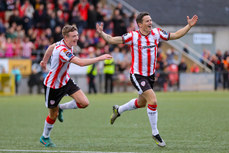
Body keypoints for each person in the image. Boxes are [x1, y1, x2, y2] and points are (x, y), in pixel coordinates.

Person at [96, 12, 198, 147]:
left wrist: (188, 26)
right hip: (137, 75)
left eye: (151, 20)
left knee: (142, 103)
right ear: (140, 24)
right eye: (147, 21)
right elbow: (112, 39)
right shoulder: (133, 36)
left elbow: (175, 35)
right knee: (153, 100)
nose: (150, 22)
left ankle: (118, 110)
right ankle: (155, 133)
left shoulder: (156, 33)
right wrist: (102, 34)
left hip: (150, 76)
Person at [39, 25, 112, 147]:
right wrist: (100, 58)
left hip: (65, 81)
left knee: (84, 103)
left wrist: (44, 61)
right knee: (53, 115)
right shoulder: (62, 50)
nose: (77, 38)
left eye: (77, 35)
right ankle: (45, 137)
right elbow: (81, 63)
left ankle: (61, 107)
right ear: (66, 37)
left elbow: (51, 47)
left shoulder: (62, 43)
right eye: (74, 36)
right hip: (53, 86)